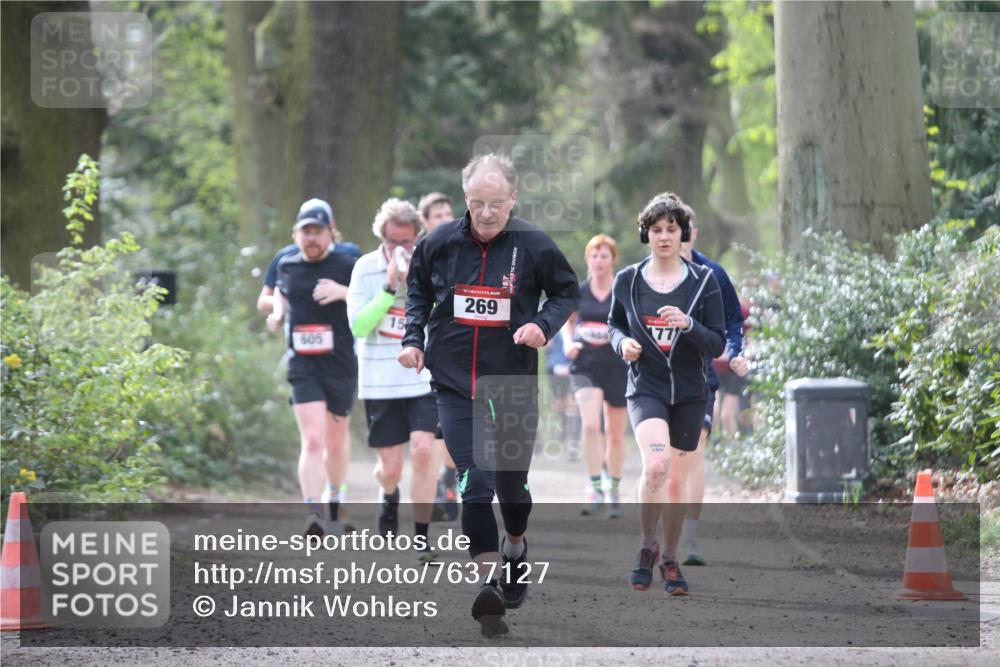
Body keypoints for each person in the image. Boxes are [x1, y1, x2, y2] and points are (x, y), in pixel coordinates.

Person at [398, 154, 579, 636]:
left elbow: (566, 292)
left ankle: (515, 546)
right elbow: (416, 292)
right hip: (456, 384)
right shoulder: (437, 243)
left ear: (513, 199)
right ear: (465, 199)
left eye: (495, 203)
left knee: (512, 491)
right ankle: (490, 584)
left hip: (512, 383)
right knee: (474, 482)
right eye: (477, 203)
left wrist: (542, 326)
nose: (486, 213)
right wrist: (413, 340)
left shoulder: (535, 244)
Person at [607, 192, 725, 596]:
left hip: (691, 392)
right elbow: (614, 326)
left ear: (684, 233)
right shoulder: (628, 280)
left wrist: (689, 325)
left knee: (675, 481)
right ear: (646, 234)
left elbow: (718, 344)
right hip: (647, 387)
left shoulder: (704, 282)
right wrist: (622, 345)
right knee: (655, 466)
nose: (663, 237)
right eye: (655, 230)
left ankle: (670, 558)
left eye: (671, 229)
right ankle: (646, 547)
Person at [347, 198, 441, 561]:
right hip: (379, 379)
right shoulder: (365, 269)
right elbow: (358, 325)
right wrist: (388, 290)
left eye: (408, 242)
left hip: (421, 376)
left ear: (418, 237)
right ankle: (389, 494)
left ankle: (421, 535)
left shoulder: (431, 264)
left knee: (422, 451)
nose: (402, 249)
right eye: (394, 243)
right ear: (381, 240)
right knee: (391, 468)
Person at [258, 199, 361, 526]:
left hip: (342, 362)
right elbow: (274, 295)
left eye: (318, 232)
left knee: (336, 438)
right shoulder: (286, 264)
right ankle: (313, 512)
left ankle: (336, 499)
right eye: (306, 232)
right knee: (313, 439)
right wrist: (276, 313)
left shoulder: (350, 261)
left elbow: (376, 298)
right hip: (303, 365)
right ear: (296, 234)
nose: (312, 238)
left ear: (331, 232)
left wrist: (343, 292)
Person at [676, 207, 749, 566]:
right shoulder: (645, 276)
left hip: (700, 379)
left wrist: (735, 352)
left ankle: (689, 540)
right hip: (655, 384)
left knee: (693, 457)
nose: (678, 234)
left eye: (683, 227)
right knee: (662, 463)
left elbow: (734, 321)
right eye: (670, 227)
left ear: (694, 231)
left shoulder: (713, 274)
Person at [562, 234, 630, 518]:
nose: (599, 261)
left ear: (613, 259)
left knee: (615, 433)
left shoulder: (622, 291)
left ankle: (613, 486)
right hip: (586, 364)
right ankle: (593, 487)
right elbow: (568, 320)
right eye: (594, 256)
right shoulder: (579, 291)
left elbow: (633, 322)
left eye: (604, 256)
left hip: (617, 365)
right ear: (588, 259)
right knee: (591, 426)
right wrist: (568, 343)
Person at [418, 192, 461, 523]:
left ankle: (448, 477)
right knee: (427, 428)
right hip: (419, 354)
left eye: (449, 213)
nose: (446, 219)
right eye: (438, 215)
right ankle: (431, 484)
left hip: (452, 351)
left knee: (447, 424)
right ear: (425, 222)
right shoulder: (420, 255)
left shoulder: (464, 251)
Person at [544, 325, 581, 462]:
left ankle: (574, 444)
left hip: (574, 367)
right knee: (559, 404)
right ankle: (563, 427)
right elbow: (546, 344)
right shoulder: (553, 320)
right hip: (556, 366)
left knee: (574, 404)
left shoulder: (580, 319)